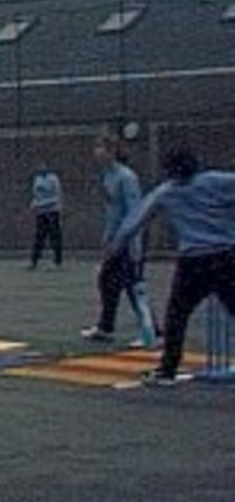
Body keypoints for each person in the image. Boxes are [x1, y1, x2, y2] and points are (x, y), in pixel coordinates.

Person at [109, 147, 235, 386]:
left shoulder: (166, 192)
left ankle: (168, 369)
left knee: (177, 315)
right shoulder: (216, 181)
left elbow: (134, 222)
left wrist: (115, 249)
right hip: (227, 256)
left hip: (193, 261)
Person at [81, 136, 158, 347]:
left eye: (100, 148)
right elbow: (112, 212)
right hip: (116, 239)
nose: (96, 152)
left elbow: (134, 213)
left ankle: (151, 331)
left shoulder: (127, 177)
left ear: (111, 151)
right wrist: (108, 240)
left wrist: (133, 246)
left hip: (131, 237)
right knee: (107, 281)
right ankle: (106, 327)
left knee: (134, 285)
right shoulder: (107, 176)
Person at [28, 163, 63, 268]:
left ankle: (57, 261)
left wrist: (40, 204)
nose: (40, 170)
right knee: (39, 236)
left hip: (52, 212)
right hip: (41, 213)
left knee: (54, 236)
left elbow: (57, 197)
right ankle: (34, 261)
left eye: (43, 168)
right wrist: (33, 203)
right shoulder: (37, 179)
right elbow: (36, 195)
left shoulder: (53, 179)